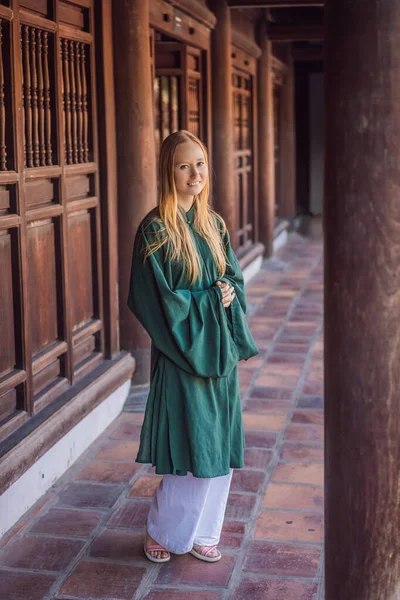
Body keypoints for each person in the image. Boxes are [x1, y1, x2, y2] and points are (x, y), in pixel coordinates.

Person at [128, 130, 258, 564]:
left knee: (218, 445)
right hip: (184, 353)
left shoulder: (212, 223)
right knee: (192, 443)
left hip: (218, 353)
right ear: (169, 170)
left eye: (200, 163)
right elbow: (155, 300)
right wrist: (206, 301)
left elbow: (235, 281)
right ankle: (164, 532)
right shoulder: (156, 230)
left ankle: (205, 531)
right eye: (184, 165)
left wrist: (226, 292)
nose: (195, 173)